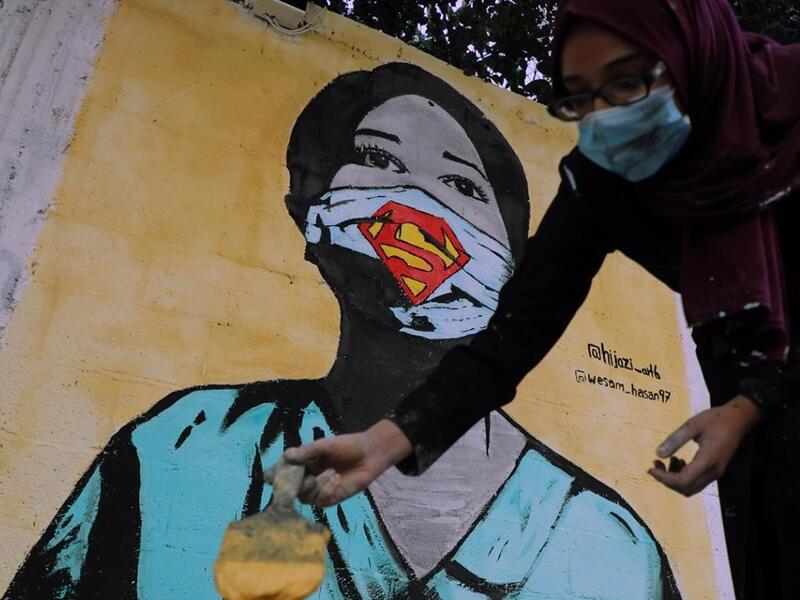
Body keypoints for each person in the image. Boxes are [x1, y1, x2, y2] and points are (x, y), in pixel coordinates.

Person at [3, 63, 678, 600]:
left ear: (517, 271)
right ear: (313, 212)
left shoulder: (609, 545)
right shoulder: (180, 447)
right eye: (378, 161)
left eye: (460, 185)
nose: (416, 201)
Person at [283, 2, 800, 599]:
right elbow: (515, 331)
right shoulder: (605, 177)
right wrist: (391, 438)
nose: (606, 118)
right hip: (755, 414)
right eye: (581, 97)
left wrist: (749, 405)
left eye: (628, 82)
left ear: (694, 57)